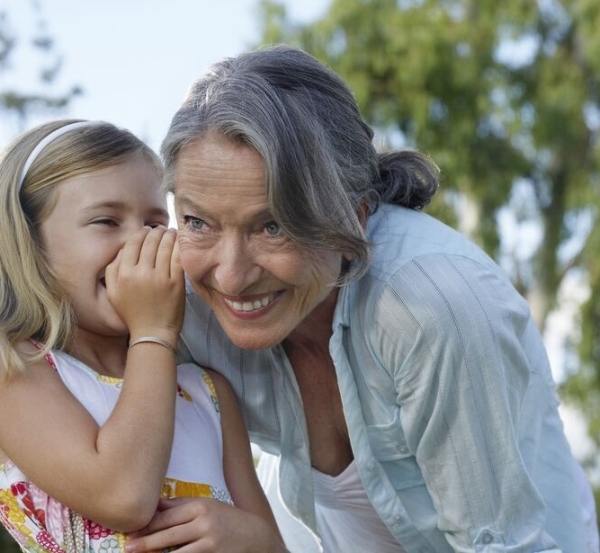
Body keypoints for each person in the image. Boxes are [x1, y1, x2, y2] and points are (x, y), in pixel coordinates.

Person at [126, 45, 598, 553]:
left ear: (357, 215)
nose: (232, 276)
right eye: (197, 222)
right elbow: (42, 362)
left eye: (274, 226)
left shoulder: (432, 308)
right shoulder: (178, 299)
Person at [0, 120, 285, 552]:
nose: (140, 243)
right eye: (106, 221)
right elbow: (124, 496)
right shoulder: (16, 369)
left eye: (156, 224)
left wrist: (253, 539)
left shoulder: (207, 393)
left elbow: (272, 545)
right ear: (31, 244)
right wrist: (152, 332)